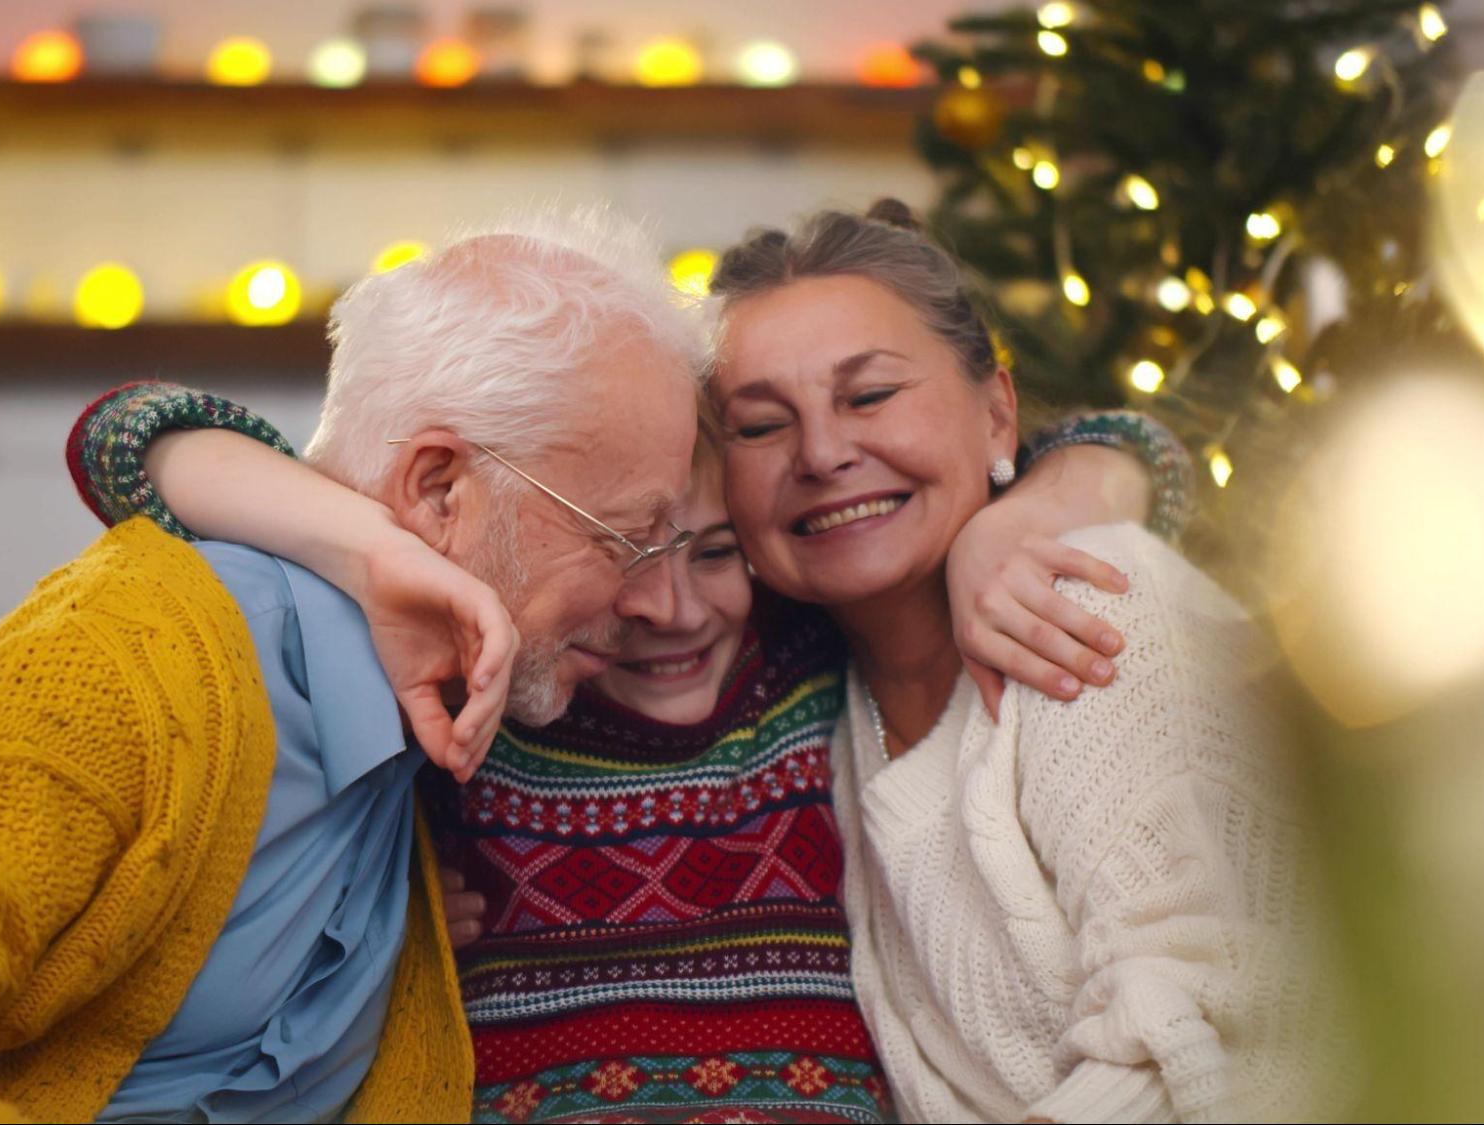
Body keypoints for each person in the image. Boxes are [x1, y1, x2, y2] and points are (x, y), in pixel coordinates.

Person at [0, 206, 717, 1123]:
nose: (662, 604)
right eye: (625, 539)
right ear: (437, 489)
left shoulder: (462, 721)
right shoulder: (129, 662)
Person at [67, 353, 1186, 1118]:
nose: (669, 609)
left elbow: (1129, 441)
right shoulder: (493, 677)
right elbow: (128, 432)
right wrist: (377, 548)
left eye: (714, 553)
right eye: (621, 553)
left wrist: (1010, 524)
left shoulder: (800, 653)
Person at [708, 199, 1345, 1121]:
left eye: (869, 395)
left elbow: (1208, 1035)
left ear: (997, 415)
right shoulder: (807, 709)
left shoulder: (1093, 603)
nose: (822, 452)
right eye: (761, 425)